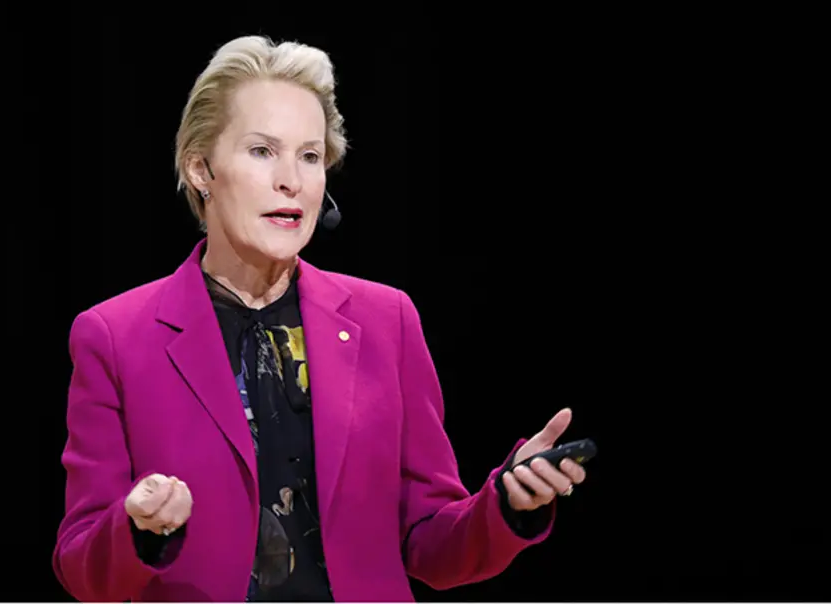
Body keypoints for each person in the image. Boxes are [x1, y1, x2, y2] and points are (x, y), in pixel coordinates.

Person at [51, 35, 587, 603]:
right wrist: (139, 531)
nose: (292, 179)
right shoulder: (114, 336)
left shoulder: (388, 321)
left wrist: (507, 504)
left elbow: (432, 547)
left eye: (310, 156)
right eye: (262, 151)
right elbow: (83, 569)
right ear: (201, 168)